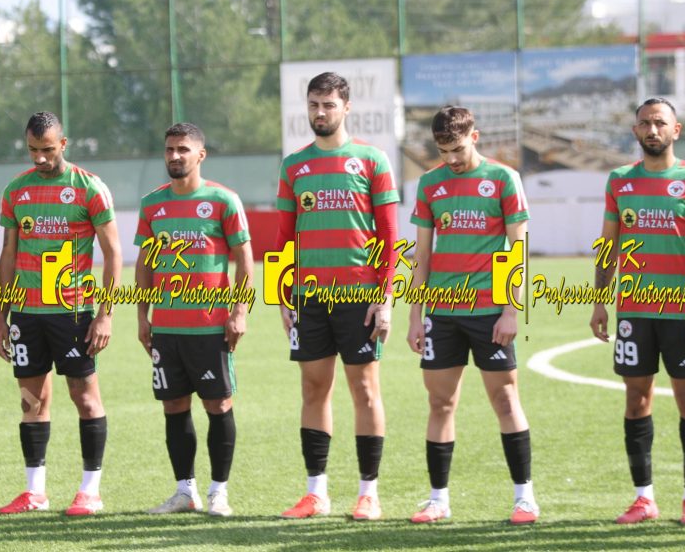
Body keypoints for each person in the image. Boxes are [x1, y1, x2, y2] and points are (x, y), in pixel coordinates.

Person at [589, 98, 685, 526]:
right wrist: (599, 301)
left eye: (660, 123)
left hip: (682, 311)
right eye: (645, 123)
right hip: (633, 310)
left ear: (675, 130)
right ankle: (643, 498)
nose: (652, 130)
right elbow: (608, 245)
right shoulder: (620, 181)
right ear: (635, 131)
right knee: (636, 399)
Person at [275, 72, 399, 520]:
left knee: (364, 389)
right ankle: (316, 493)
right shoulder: (294, 166)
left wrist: (385, 297)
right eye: (313, 104)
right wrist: (282, 297)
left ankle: (369, 493)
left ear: (346, 108)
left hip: (359, 297)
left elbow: (388, 236)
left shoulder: (371, 160)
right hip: (309, 299)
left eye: (328, 105)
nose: (320, 112)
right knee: (313, 389)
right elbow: (284, 238)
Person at [404, 106, 538, 525]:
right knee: (440, 403)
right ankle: (438, 500)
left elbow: (517, 250)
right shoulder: (430, 184)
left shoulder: (503, 179)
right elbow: (422, 256)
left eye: (458, 149)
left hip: (489, 313)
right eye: (443, 151)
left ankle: (524, 499)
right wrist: (415, 315)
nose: (451, 159)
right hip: (442, 314)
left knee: (505, 399)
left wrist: (511, 311)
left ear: (474, 137)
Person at [0, 111, 121, 516]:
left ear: (63, 144)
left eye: (47, 149)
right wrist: (1, 316)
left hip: (73, 313)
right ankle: (35, 493)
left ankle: (90, 491)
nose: (40, 158)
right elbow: (9, 254)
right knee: (31, 401)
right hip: (26, 314)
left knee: (85, 398)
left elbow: (113, 253)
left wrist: (105, 314)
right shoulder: (16, 190)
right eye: (33, 149)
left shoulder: (88, 187)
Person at [135, 123, 253, 517]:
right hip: (167, 328)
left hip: (210, 326)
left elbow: (245, 260)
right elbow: (145, 264)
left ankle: (219, 492)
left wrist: (239, 311)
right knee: (173, 406)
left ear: (200, 155)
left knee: (218, 404)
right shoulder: (152, 204)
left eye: (183, 149)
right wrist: (142, 316)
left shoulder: (222, 200)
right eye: (169, 149)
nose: (174, 156)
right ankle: (185, 491)